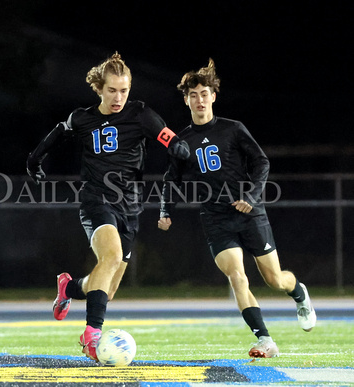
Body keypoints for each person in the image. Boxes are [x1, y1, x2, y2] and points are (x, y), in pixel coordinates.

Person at [27, 52, 190, 362]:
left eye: (124, 90)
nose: (118, 97)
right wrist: (34, 159)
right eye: (112, 90)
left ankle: (69, 288)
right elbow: (57, 135)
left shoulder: (140, 114)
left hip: (130, 207)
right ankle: (91, 335)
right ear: (99, 88)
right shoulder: (83, 118)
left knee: (108, 290)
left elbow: (166, 135)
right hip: (96, 200)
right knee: (111, 256)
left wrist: (178, 145)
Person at [158, 59, 316, 358]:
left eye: (204, 93)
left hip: (249, 213)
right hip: (216, 219)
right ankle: (265, 339)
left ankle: (299, 293)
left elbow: (262, 162)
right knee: (237, 277)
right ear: (186, 100)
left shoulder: (233, 129)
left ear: (213, 96)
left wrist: (253, 196)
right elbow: (171, 179)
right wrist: (166, 210)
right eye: (193, 95)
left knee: (274, 279)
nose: (199, 99)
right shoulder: (182, 141)